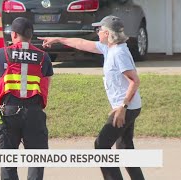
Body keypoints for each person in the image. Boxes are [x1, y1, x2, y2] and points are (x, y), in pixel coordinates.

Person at [38, 15, 145, 180]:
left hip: (126, 108)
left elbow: (134, 81)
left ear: (108, 34)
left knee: (101, 145)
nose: (97, 32)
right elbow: (81, 43)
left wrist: (122, 108)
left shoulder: (119, 53)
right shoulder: (108, 48)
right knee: (124, 147)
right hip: (130, 106)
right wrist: (58, 39)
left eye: (100, 29)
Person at [0, 17, 54, 180]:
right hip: (34, 112)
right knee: (36, 160)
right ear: (31, 35)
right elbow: (46, 84)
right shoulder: (43, 57)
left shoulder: (1, 54)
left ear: (13, 34)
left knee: (8, 161)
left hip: (8, 112)